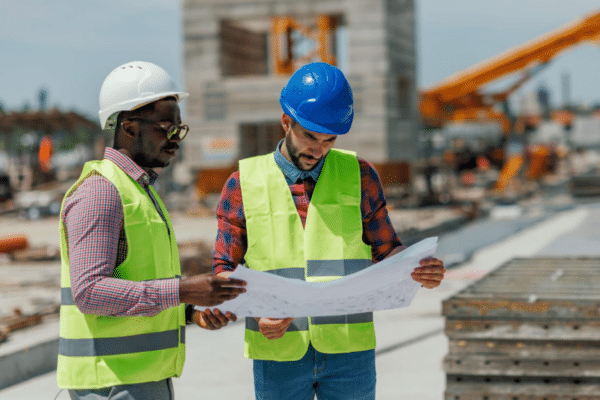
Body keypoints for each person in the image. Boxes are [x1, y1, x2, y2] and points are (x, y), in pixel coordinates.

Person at [205, 62, 446, 399]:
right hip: (279, 352)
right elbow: (223, 272)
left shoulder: (360, 175)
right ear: (286, 122)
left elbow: (387, 249)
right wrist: (257, 312)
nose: (318, 149)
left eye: (328, 139)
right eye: (309, 136)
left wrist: (418, 268)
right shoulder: (243, 183)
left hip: (349, 352)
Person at [56, 61, 246, 400]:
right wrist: (182, 291)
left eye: (179, 129)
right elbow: (89, 292)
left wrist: (189, 313)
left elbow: (136, 281)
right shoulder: (101, 193)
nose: (176, 139)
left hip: (139, 381)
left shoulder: (139, 191)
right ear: (129, 128)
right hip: (110, 386)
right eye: (166, 128)